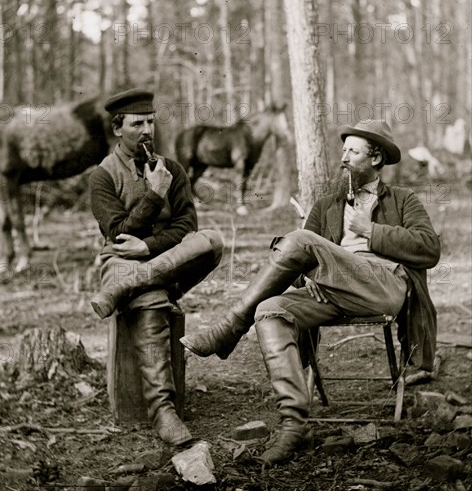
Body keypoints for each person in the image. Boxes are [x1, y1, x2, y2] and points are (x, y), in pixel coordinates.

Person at [181, 119, 440, 464]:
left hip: (384, 286)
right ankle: (294, 424)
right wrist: (311, 282)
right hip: (333, 294)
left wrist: (372, 231)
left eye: (353, 151)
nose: (344, 158)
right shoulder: (327, 204)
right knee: (270, 310)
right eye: (343, 150)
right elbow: (299, 263)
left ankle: (229, 327)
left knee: (301, 237)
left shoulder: (403, 199)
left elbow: (429, 249)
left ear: (376, 159)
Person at [89, 88, 223, 447]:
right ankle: (163, 410)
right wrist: (153, 195)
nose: (147, 130)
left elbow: (187, 226)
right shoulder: (102, 176)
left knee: (212, 239)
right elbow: (117, 235)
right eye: (137, 124)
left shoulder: (172, 169)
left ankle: (138, 282)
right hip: (119, 263)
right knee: (150, 303)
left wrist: (149, 246)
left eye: (150, 121)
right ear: (118, 129)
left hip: (162, 261)